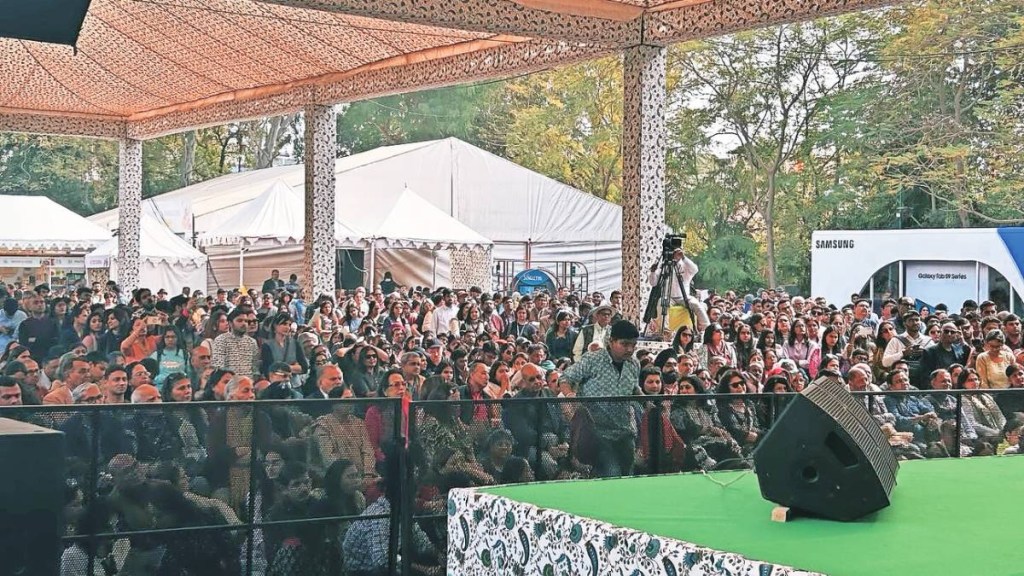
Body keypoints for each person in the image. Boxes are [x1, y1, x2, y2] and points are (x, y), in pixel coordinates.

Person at [560, 319, 641, 477]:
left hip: (625, 431)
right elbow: (565, 378)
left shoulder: (634, 364)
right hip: (597, 432)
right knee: (611, 473)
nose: (630, 349)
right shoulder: (593, 360)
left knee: (627, 475)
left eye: (633, 345)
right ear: (611, 341)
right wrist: (571, 396)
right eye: (625, 344)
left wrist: (648, 402)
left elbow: (634, 388)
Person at [647, 247, 710, 331]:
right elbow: (653, 283)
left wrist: (683, 257)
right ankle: (665, 330)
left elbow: (695, 270)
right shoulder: (664, 266)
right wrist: (652, 272)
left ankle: (707, 329)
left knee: (697, 305)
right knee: (661, 303)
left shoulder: (686, 265)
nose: (674, 254)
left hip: (684, 296)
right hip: (668, 296)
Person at [211, 307, 260, 378]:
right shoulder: (221, 340)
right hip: (229, 382)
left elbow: (255, 368)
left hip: (248, 382)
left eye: (246, 321)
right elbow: (218, 367)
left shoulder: (252, 342)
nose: (244, 323)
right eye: (240, 321)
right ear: (230, 323)